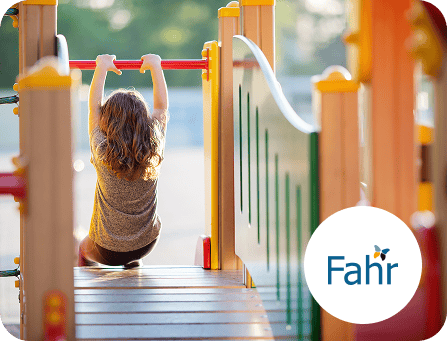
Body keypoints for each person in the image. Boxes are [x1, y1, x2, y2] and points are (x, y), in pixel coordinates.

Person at [78, 54, 169, 268]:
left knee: (81, 247)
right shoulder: (154, 145)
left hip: (106, 251)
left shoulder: (102, 149)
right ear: (143, 120)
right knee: (132, 241)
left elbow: (94, 107)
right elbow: (161, 108)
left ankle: (91, 284)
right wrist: (156, 66)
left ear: (105, 121)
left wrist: (101, 67)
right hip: (147, 244)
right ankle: (132, 261)